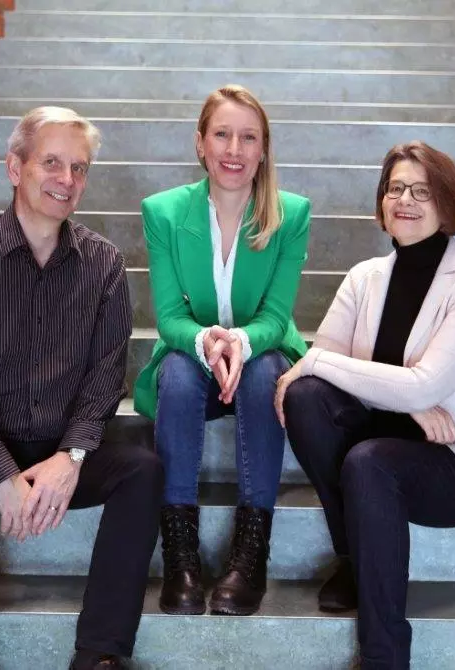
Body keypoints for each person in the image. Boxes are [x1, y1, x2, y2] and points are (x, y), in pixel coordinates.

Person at [0, 106, 161, 670]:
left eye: (79, 168)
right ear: (14, 167)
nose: (66, 180)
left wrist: (70, 457)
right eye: (52, 162)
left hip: (64, 447)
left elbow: (105, 379)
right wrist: (2, 469)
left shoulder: (103, 265)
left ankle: (100, 651)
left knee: (144, 469)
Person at [275, 141, 455, 669]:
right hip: (382, 450)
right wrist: (406, 399)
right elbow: (348, 374)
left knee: (364, 452)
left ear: (448, 204)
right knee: (305, 399)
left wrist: (321, 363)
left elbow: (413, 384)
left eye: (422, 191)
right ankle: (359, 558)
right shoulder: (365, 277)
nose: (405, 199)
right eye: (395, 188)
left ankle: (384, 657)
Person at [132, 85, 311, 617]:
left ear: (263, 149)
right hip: (195, 361)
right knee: (181, 377)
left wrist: (241, 341)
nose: (234, 149)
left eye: (248, 137)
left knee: (266, 373)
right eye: (223, 134)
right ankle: (181, 559)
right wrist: (207, 340)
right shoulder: (163, 212)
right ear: (201, 143)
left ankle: (249, 558)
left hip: (259, 359)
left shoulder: (291, 214)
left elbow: (276, 318)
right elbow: (169, 317)